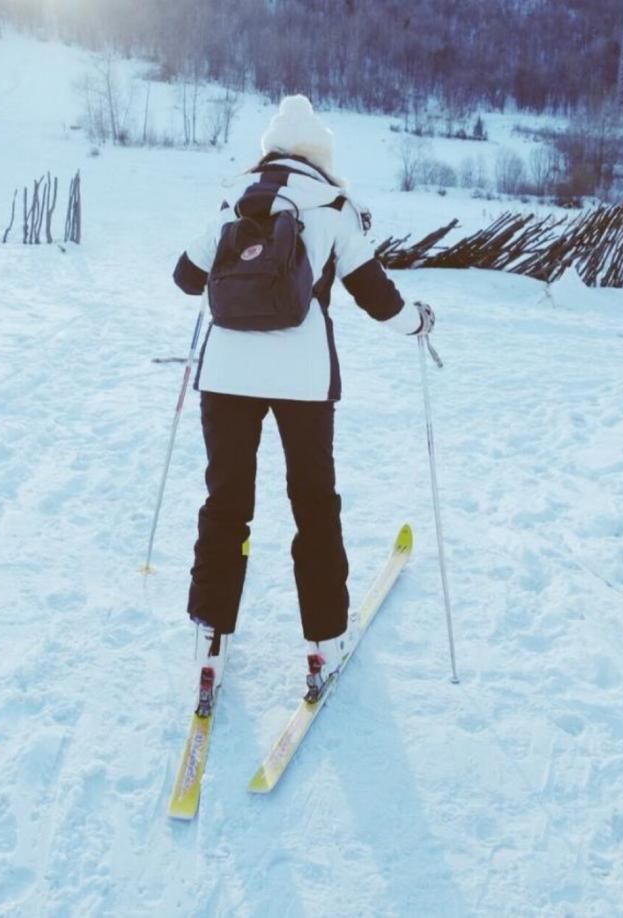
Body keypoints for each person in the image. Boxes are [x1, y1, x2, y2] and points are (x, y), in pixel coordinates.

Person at [171, 95, 435, 700]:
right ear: (321, 154)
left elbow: (185, 280)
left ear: (269, 150)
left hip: (226, 377)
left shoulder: (234, 200)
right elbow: (376, 296)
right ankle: (324, 640)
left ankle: (210, 634)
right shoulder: (335, 206)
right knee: (313, 503)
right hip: (304, 382)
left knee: (226, 500)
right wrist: (417, 324)